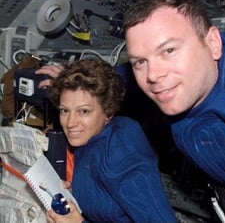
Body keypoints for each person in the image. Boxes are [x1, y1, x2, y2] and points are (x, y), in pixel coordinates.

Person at [36, 0, 225, 221]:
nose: (153, 75)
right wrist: (72, 78)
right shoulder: (170, 83)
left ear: (213, 43)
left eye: (169, 50)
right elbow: (118, 78)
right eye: (141, 61)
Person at [45, 58, 176, 223]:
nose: (70, 123)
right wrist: (74, 193)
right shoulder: (89, 138)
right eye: (64, 111)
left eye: (84, 111)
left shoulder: (121, 154)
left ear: (108, 111)